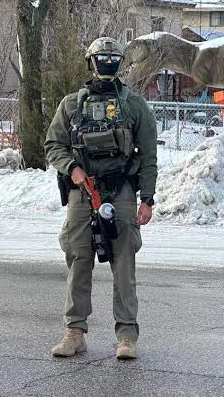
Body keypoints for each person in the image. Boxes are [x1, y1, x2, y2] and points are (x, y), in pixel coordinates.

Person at [45, 37, 157, 360]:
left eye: (112, 59)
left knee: (123, 263)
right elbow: (54, 145)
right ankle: (74, 332)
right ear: (91, 62)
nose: (106, 65)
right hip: (82, 193)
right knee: (79, 260)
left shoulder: (134, 106)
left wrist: (147, 199)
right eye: (101, 59)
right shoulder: (71, 105)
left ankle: (127, 335)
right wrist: (72, 169)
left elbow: (148, 156)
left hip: (121, 193)